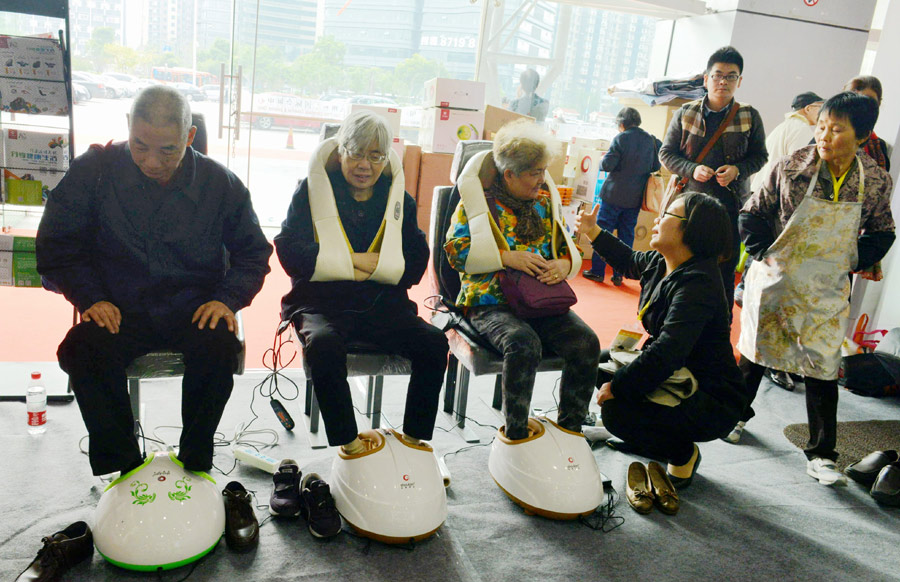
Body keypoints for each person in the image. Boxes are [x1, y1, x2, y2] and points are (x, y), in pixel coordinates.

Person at [36, 86, 273, 477]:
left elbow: (254, 254)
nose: (151, 161)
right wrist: (90, 297)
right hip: (118, 308)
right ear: (129, 127)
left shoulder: (220, 184)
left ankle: (195, 464)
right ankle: (125, 466)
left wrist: (227, 299)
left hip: (191, 309)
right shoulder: (93, 172)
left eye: (168, 150)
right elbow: (58, 247)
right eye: (140, 145)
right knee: (82, 350)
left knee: (219, 346)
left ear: (190, 137)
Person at [734, 92, 895, 484]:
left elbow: (883, 231)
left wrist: (852, 260)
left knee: (823, 365)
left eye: (837, 129)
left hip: (827, 288)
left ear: (863, 135)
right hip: (777, 279)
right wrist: (763, 256)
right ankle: (732, 417)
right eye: (821, 126)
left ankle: (822, 454)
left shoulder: (873, 179)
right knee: (755, 355)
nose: (824, 135)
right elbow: (751, 215)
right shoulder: (792, 167)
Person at [275, 110, 448, 456]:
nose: (364, 165)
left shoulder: (399, 200)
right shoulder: (311, 192)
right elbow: (289, 251)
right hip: (321, 302)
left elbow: (415, 262)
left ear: (385, 160)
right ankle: (349, 443)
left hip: (382, 303)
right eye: (355, 153)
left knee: (433, 342)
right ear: (340, 152)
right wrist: (355, 261)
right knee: (323, 345)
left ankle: (414, 439)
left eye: (375, 156)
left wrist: (374, 267)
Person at [576, 193, 746, 489]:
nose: (657, 219)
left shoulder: (699, 283)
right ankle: (654, 442)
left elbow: (668, 351)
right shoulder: (663, 260)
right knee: (594, 363)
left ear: (691, 229)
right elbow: (629, 260)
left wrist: (618, 387)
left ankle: (683, 453)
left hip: (708, 395)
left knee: (617, 413)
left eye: (668, 214)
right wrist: (592, 230)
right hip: (675, 374)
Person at [444, 120, 599, 440]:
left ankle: (571, 428)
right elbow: (456, 254)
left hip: (537, 297)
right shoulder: (477, 204)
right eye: (533, 173)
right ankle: (516, 432)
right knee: (523, 343)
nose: (542, 179)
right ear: (509, 174)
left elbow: (565, 249)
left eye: (543, 171)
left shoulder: (543, 203)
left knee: (587, 342)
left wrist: (562, 263)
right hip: (490, 300)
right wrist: (505, 258)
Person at [659, 45, 768, 309]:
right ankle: (669, 324)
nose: (723, 81)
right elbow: (666, 153)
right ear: (706, 79)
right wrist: (691, 169)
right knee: (678, 266)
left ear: (739, 81)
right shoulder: (685, 112)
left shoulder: (749, 116)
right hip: (687, 207)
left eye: (731, 76)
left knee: (723, 272)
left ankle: (718, 330)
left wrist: (738, 170)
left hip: (729, 209)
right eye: (718, 75)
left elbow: (760, 156)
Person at [582, 106, 662, 286]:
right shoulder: (651, 140)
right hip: (635, 198)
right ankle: (619, 274)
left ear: (622, 124)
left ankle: (597, 272)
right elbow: (656, 166)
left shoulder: (621, 138)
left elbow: (608, 164)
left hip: (613, 195)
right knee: (626, 234)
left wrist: (600, 161)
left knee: (602, 232)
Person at [749, 92, 823, 193]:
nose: (823, 112)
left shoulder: (780, 128)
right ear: (808, 108)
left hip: (761, 193)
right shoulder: (801, 129)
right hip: (776, 196)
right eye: (821, 107)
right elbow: (799, 169)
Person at [844, 75, 890, 172]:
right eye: (856, 101)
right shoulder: (826, 138)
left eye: (869, 102)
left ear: (878, 104)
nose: (862, 108)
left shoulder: (879, 147)